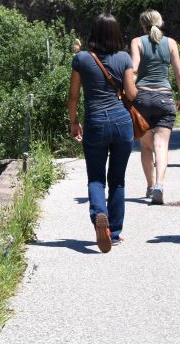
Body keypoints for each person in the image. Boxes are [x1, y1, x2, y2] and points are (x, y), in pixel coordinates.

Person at [68, 13, 136, 252]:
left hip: (95, 122)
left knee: (96, 178)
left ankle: (99, 214)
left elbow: (73, 95)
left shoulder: (81, 59)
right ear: (117, 33)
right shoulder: (124, 57)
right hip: (121, 122)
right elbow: (132, 94)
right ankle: (114, 232)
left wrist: (74, 121)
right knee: (117, 180)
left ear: (93, 33)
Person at [128, 9, 180, 205]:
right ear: (161, 23)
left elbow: (134, 69)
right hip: (164, 97)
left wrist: (128, 92)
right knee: (161, 145)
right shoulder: (170, 43)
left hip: (142, 97)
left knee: (146, 146)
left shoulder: (137, 42)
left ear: (142, 24)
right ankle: (160, 185)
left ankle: (151, 186)